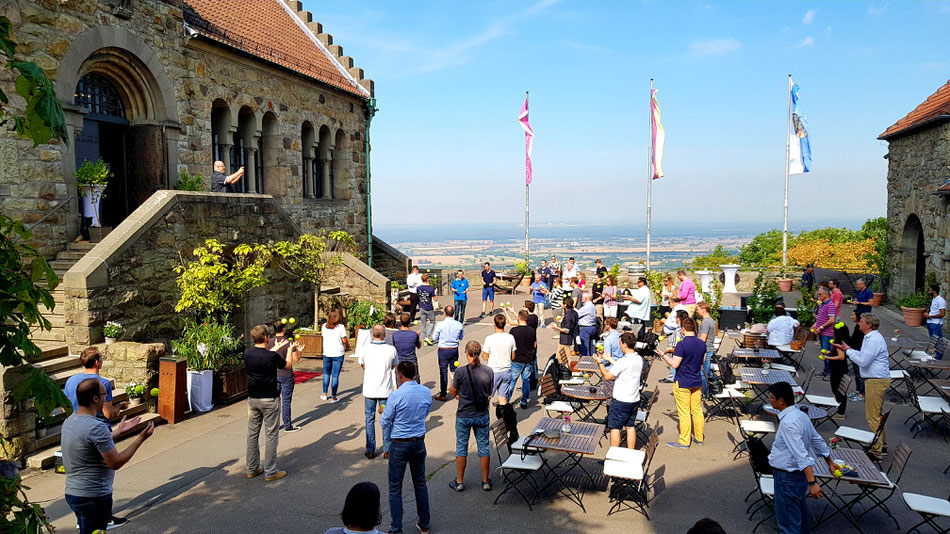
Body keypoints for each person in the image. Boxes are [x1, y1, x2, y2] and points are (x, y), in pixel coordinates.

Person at [62, 378, 154, 534]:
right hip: (94, 496)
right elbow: (115, 463)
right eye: (104, 394)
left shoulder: (71, 421)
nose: (106, 398)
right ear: (95, 399)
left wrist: (118, 431)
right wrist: (141, 438)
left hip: (74, 493)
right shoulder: (96, 427)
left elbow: (90, 444)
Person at [767, 381, 838, 534]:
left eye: (772, 398)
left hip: (786, 477)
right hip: (797, 478)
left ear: (781, 400)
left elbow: (801, 455)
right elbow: (817, 440)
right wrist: (830, 462)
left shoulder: (788, 423)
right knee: (800, 519)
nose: (770, 400)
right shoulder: (801, 415)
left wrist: (812, 482)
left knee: (788, 524)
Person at [380, 361, 432, 534]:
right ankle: (424, 523)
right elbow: (425, 412)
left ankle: (396, 528)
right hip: (418, 442)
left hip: (400, 443)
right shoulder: (425, 392)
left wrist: (384, 413)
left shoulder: (396, 395)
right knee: (420, 483)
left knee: (395, 487)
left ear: (400, 375)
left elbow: (385, 421)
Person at [832, 313, 890, 461]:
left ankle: (876, 451)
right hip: (876, 379)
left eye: (862, 322)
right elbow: (863, 356)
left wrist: (848, 351)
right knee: (877, 415)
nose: (859, 324)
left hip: (876, 380)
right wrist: (848, 349)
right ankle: (881, 445)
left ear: (868, 325)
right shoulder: (871, 338)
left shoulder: (873, 340)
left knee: (872, 416)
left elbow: (863, 362)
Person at [244, 324, 297, 481]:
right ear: (267, 338)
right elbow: (287, 366)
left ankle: (252, 468)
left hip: (253, 398)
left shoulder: (247, 353)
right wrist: (288, 349)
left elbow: (262, 355)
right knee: (271, 435)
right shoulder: (271, 356)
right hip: (269, 399)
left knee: (252, 434)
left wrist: (275, 348)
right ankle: (270, 471)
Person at [449, 340, 494, 492]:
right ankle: (485, 481)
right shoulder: (488, 371)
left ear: (466, 353)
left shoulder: (460, 372)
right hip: (481, 413)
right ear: (480, 353)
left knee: (461, 447)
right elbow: (489, 392)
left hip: (464, 414)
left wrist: (452, 381)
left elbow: (453, 392)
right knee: (484, 447)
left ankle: (459, 481)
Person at [659, 317, 705, 449]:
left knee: (684, 412)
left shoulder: (682, 344)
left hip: (683, 381)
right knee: (696, 410)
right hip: (696, 381)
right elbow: (702, 361)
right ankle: (699, 436)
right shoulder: (702, 343)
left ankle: (684, 441)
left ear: (683, 329)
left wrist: (663, 355)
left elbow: (674, 364)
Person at [593, 332, 644, 449]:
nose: (620, 345)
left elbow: (607, 376)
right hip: (634, 399)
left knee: (615, 428)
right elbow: (624, 368)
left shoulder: (623, 361)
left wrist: (600, 363)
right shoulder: (638, 358)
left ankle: (614, 455)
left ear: (625, 344)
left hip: (621, 400)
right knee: (630, 426)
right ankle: (629, 453)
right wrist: (610, 359)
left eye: (620, 343)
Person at [359, 324, 397, 459]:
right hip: (385, 390)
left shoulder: (365, 349)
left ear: (371, 334)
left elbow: (362, 364)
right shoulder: (391, 349)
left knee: (369, 419)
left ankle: (370, 449)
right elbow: (394, 365)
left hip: (370, 390)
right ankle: (387, 448)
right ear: (385, 335)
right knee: (386, 419)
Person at [64, 347, 126, 424]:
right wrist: (119, 407)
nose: (102, 360)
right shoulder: (103, 383)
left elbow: (65, 408)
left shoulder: (71, 380)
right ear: (97, 362)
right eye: (101, 357)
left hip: (75, 425)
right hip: (98, 428)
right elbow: (108, 414)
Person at [268, 319, 303, 432]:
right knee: (286, 401)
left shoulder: (269, 342)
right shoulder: (289, 343)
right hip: (286, 374)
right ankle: (287, 425)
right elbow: (296, 359)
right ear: (284, 329)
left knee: (275, 401)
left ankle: (275, 425)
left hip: (273, 375)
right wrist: (300, 351)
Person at [433, 304, 464, 401]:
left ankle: (443, 394)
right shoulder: (459, 324)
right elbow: (461, 337)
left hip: (443, 350)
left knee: (443, 372)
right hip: (454, 349)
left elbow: (434, 338)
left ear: (445, 313)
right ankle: (457, 392)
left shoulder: (440, 325)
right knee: (454, 370)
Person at [507, 310, 538, 408]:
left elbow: (510, 345)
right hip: (528, 359)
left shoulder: (513, 331)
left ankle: (506, 401)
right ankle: (524, 401)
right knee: (526, 380)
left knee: (512, 381)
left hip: (517, 359)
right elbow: (534, 345)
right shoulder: (532, 330)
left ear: (519, 318)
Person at [482, 314, 515, 406]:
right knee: (502, 397)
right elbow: (513, 357)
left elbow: (485, 357)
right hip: (506, 371)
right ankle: (504, 418)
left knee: (487, 397)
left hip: (493, 372)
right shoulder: (510, 337)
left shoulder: (489, 338)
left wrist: (484, 353)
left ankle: (485, 420)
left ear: (494, 324)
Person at [824, 321, 851, 420]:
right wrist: (828, 352)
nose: (831, 331)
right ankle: (840, 410)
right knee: (837, 389)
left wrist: (828, 358)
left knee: (838, 390)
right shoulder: (841, 340)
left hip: (838, 369)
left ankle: (841, 412)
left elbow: (841, 357)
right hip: (838, 368)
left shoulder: (839, 341)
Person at [321, 309, 350, 402]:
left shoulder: (324, 327)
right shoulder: (341, 327)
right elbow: (344, 340)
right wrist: (348, 345)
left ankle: (324, 394)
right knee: (335, 376)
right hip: (338, 353)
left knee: (326, 374)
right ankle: (333, 396)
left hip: (327, 353)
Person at [811, 287, 838, 379]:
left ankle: (829, 373)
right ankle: (826, 371)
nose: (818, 296)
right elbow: (821, 317)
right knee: (824, 352)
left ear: (826, 294)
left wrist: (821, 327)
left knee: (827, 352)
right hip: (822, 332)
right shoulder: (823, 304)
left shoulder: (830, 305)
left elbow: (832, 320)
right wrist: (815, 325)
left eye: (820, 294)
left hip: (827, 333)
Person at [392, 313, 422, 382]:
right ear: (409, 322)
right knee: (414, 380)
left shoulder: (395, 335)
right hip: (412, 360)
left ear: (400, 322)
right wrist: (418, 337)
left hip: (400, 360)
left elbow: (394, 347)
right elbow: (419, 346)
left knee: (400, 380)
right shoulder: (414, 335)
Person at [696, 302, 717, 398]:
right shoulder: (711, 320)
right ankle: (708, 392)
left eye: (698, 309)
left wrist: (693, 340)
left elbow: (703, 338)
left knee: (703, 372)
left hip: (705, 349)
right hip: (709, 348)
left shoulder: (705, 322)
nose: (697, 311)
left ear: (703, 310)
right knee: (706, 372)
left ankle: (707, 393)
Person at [846, 311, 867, 403]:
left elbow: (857, 341)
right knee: (856, 373)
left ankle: (861, 394)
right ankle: (858, 391)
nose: (851, 316)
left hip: (858, 353)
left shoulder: (860, 328)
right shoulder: (857, 327)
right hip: (854, 352)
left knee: (859, 374)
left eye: (853, 315)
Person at [553, 297, 579, 362]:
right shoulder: (574, 312)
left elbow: (566, 330)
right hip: (568, 337)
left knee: (566, 357)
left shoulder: (568, 315)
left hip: (565, 339)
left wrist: (556, 328)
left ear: (565, 305)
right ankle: (562, 370)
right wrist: (561, 321)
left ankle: (568, 370)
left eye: (563, 304)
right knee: (559, 356)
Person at [417, 274, 437, 345]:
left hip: (422, 307)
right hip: (429, 308)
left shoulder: (418, 288)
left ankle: (425, 339)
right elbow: (435, 299)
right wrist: (435, 292)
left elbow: (418, 295)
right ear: (427, 279)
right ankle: (427, 337)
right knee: (432, 322)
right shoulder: (431, 289)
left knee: (423, 324)